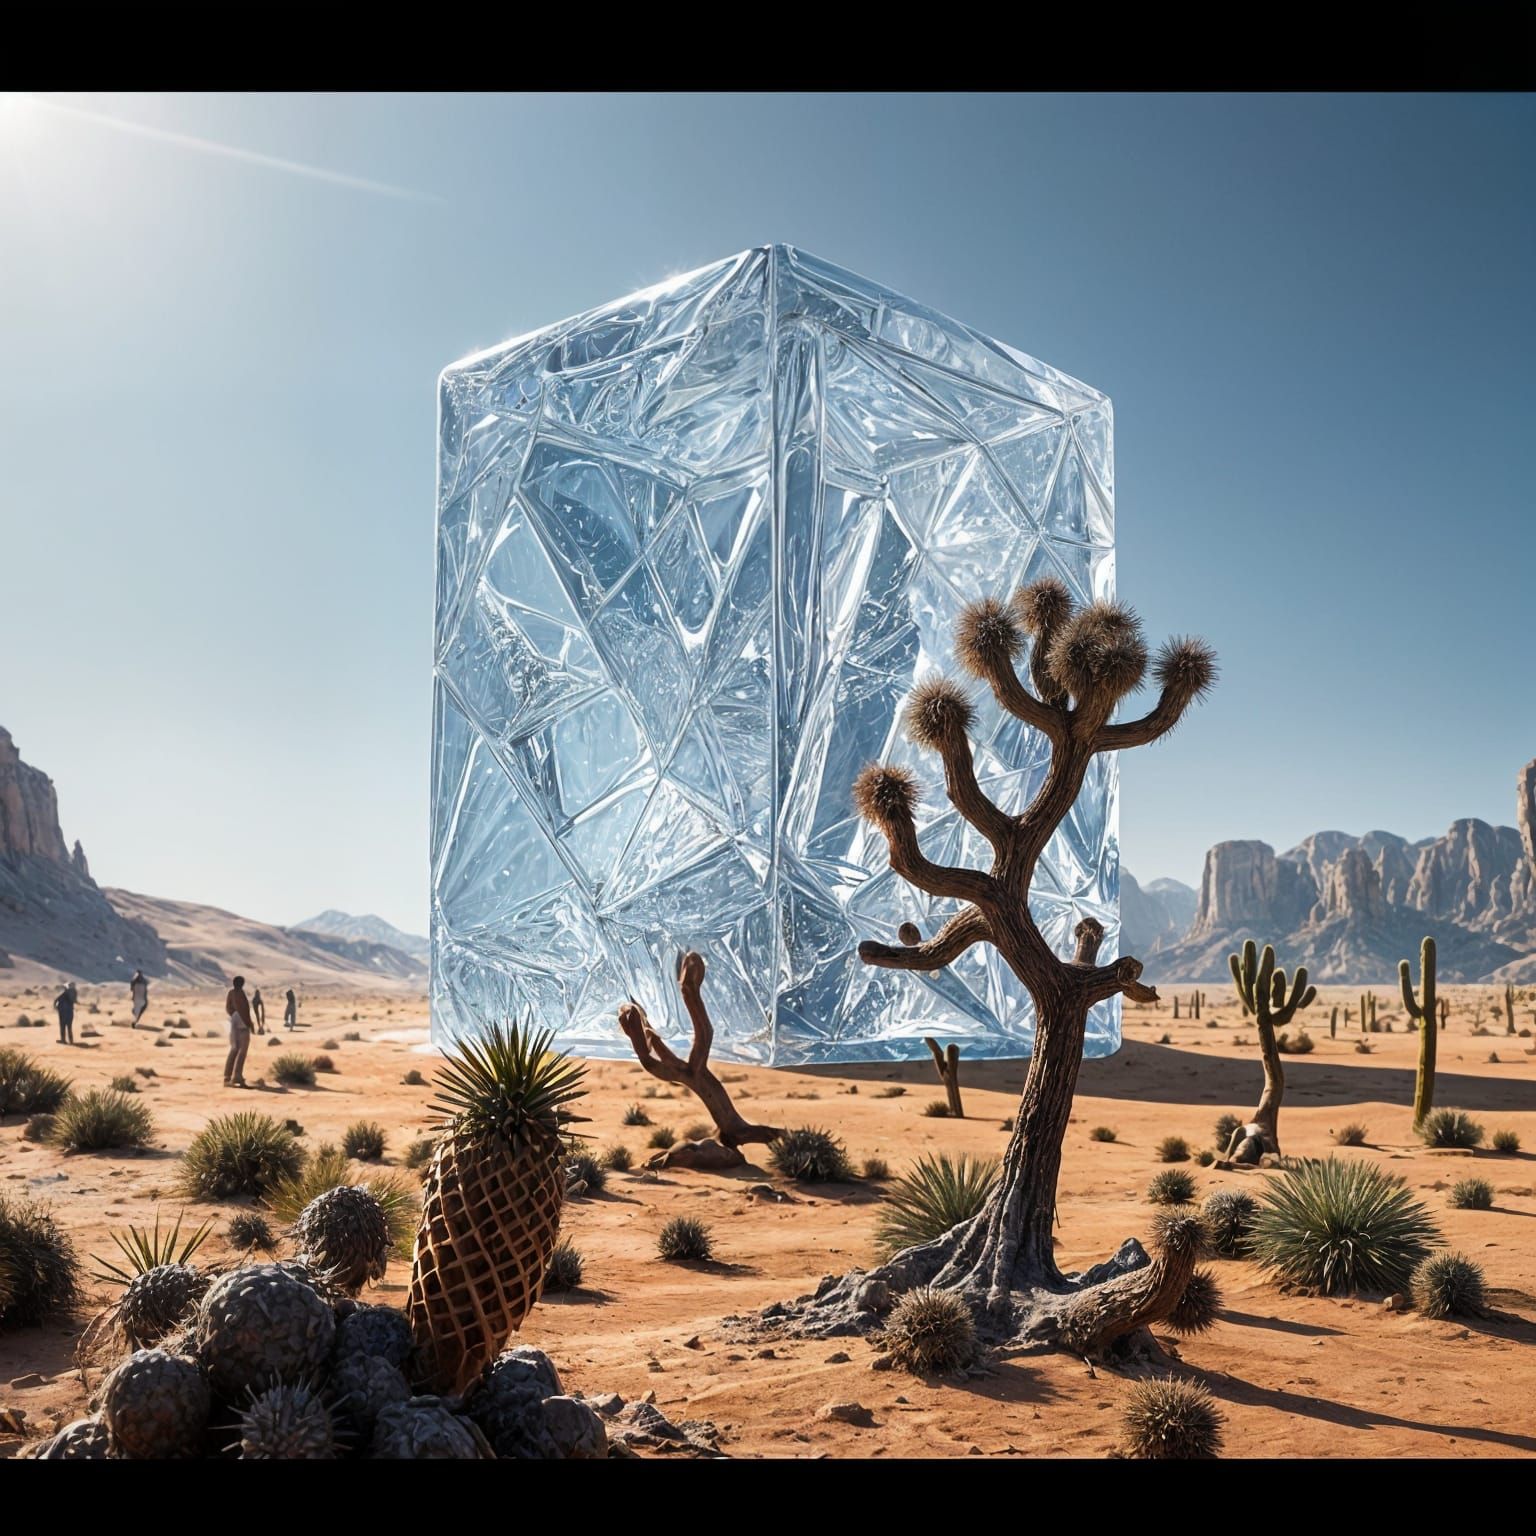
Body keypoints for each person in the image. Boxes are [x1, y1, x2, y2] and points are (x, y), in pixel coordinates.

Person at [223, 974, 255, 1088]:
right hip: (242, 1024)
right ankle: (237, 1076)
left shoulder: (231, 993)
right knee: (242, 1051)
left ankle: (227, 1077)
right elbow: (244, 1010)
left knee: (234, 1049)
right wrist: (250, 1024)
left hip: (234, 1022)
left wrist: (234, 1015)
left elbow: (228, 1007)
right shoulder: (240, 994)